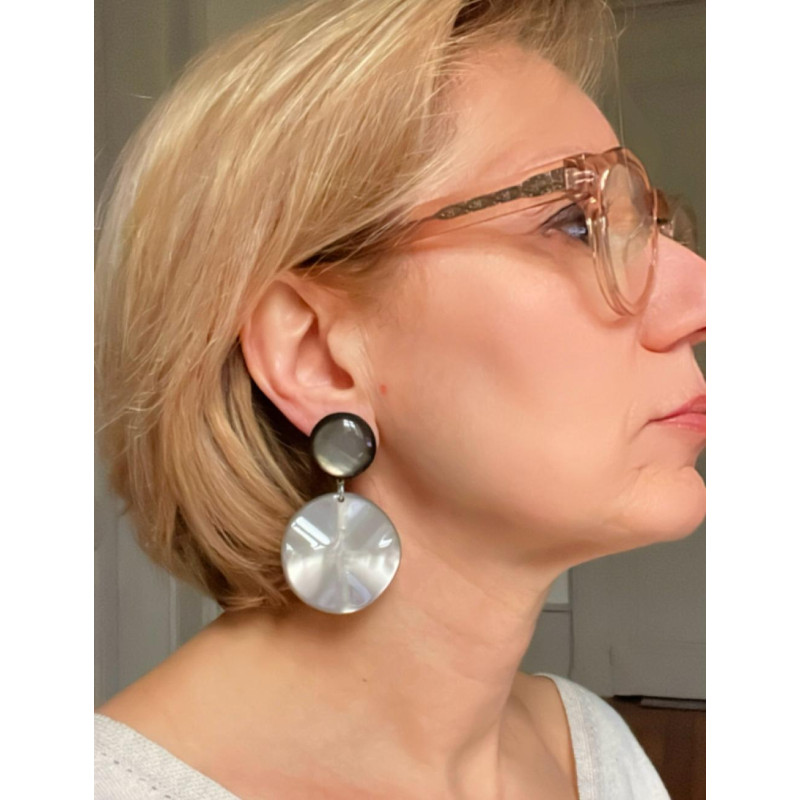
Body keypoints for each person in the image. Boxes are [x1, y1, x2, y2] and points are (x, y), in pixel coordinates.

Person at [94, 0, 705, 797]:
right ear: (315, 355)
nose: (701, 297)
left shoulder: (593, 749)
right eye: (575, 224)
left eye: (652, 226)